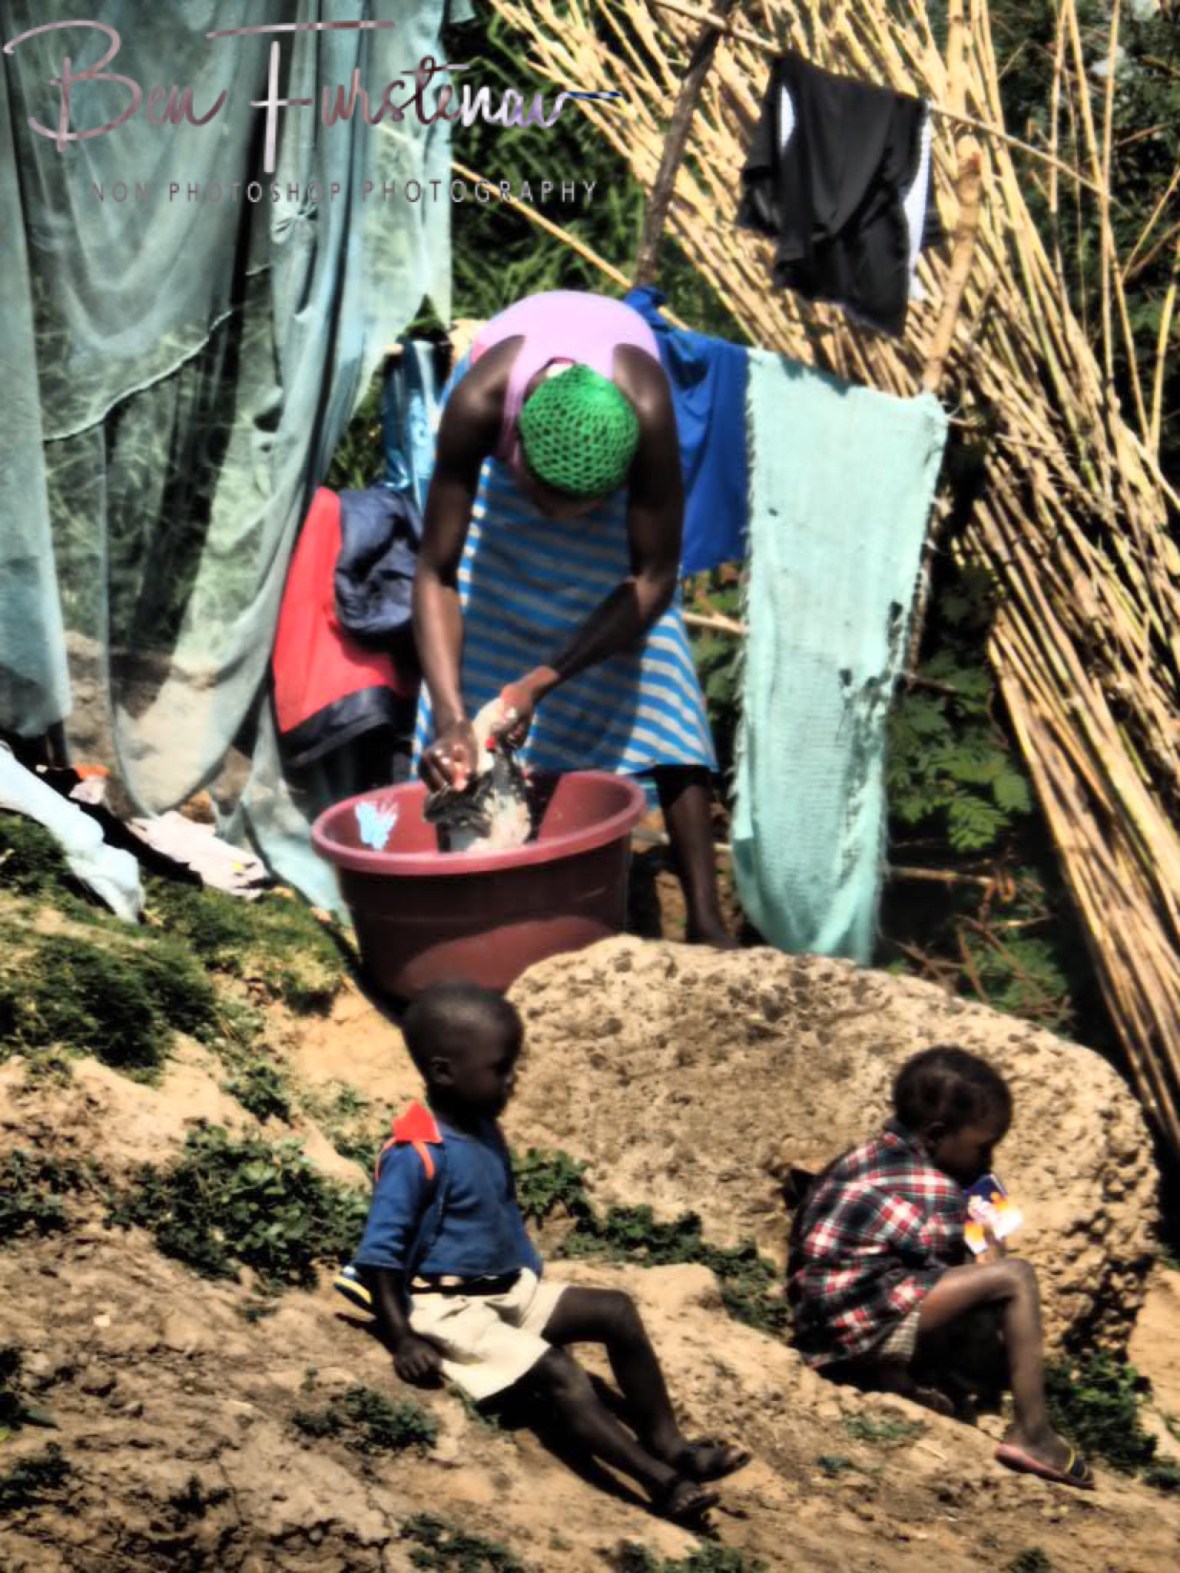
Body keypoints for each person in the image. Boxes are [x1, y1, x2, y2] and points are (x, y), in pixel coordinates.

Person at [337, 980, 749, 1523]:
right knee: (560, 1374)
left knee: (616, 1312)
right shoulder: (416, 1153)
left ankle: (670, 1444)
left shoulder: (484, 1129)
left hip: (507, 1291)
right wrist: (403, 1337)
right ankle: (662, 1483)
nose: (513, 1080)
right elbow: (381, 1257)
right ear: (443, 1072)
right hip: (447, 1306)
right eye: (501, 1068)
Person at [412, 290, 732, 945]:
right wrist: (450, 715)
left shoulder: (646, 413)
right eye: (549, 500)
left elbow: (653, 579)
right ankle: (466, 900)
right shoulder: (478, 404)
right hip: (506, 479)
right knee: (476, 655)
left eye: (576, 508)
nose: (560, 521)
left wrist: (543, 681)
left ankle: (706, 920)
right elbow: (436, 573)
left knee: (661, 663)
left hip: (608, 488)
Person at [787, 1045, 1094, 1490]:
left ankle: (891, 1376)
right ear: (935, 1136)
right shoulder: (938, 1191)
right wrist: (991, 1241)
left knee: (916, 1281)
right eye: (982, 1148)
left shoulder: (861, 1157)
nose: (988, 1162)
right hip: (855, 1324)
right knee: (1015, 1279)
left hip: (815, 1321)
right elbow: (961, 1276)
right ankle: (1033, 1432)